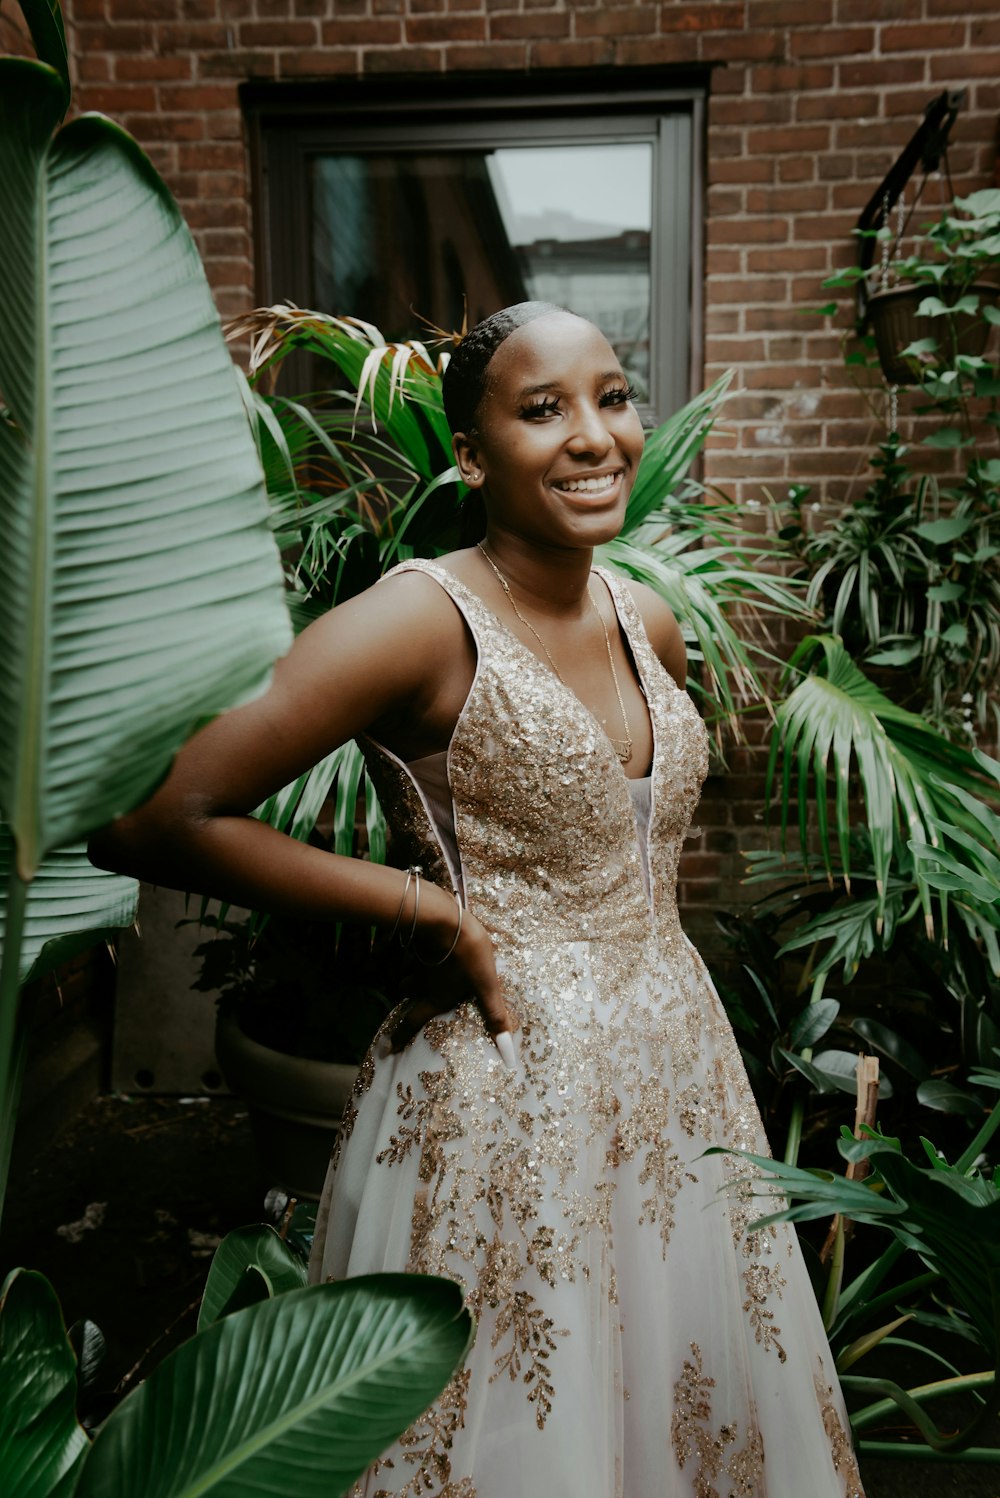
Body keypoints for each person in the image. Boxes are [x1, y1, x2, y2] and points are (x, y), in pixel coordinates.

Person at [90, 302, 865, 1497]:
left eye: (612, 396)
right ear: (469, 451)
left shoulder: (644, 615)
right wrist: (433, 910)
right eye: (542, 408)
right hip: (501, 1103)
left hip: (676, 1082)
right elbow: (156, 817)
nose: (595, 435)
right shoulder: (420, 622)